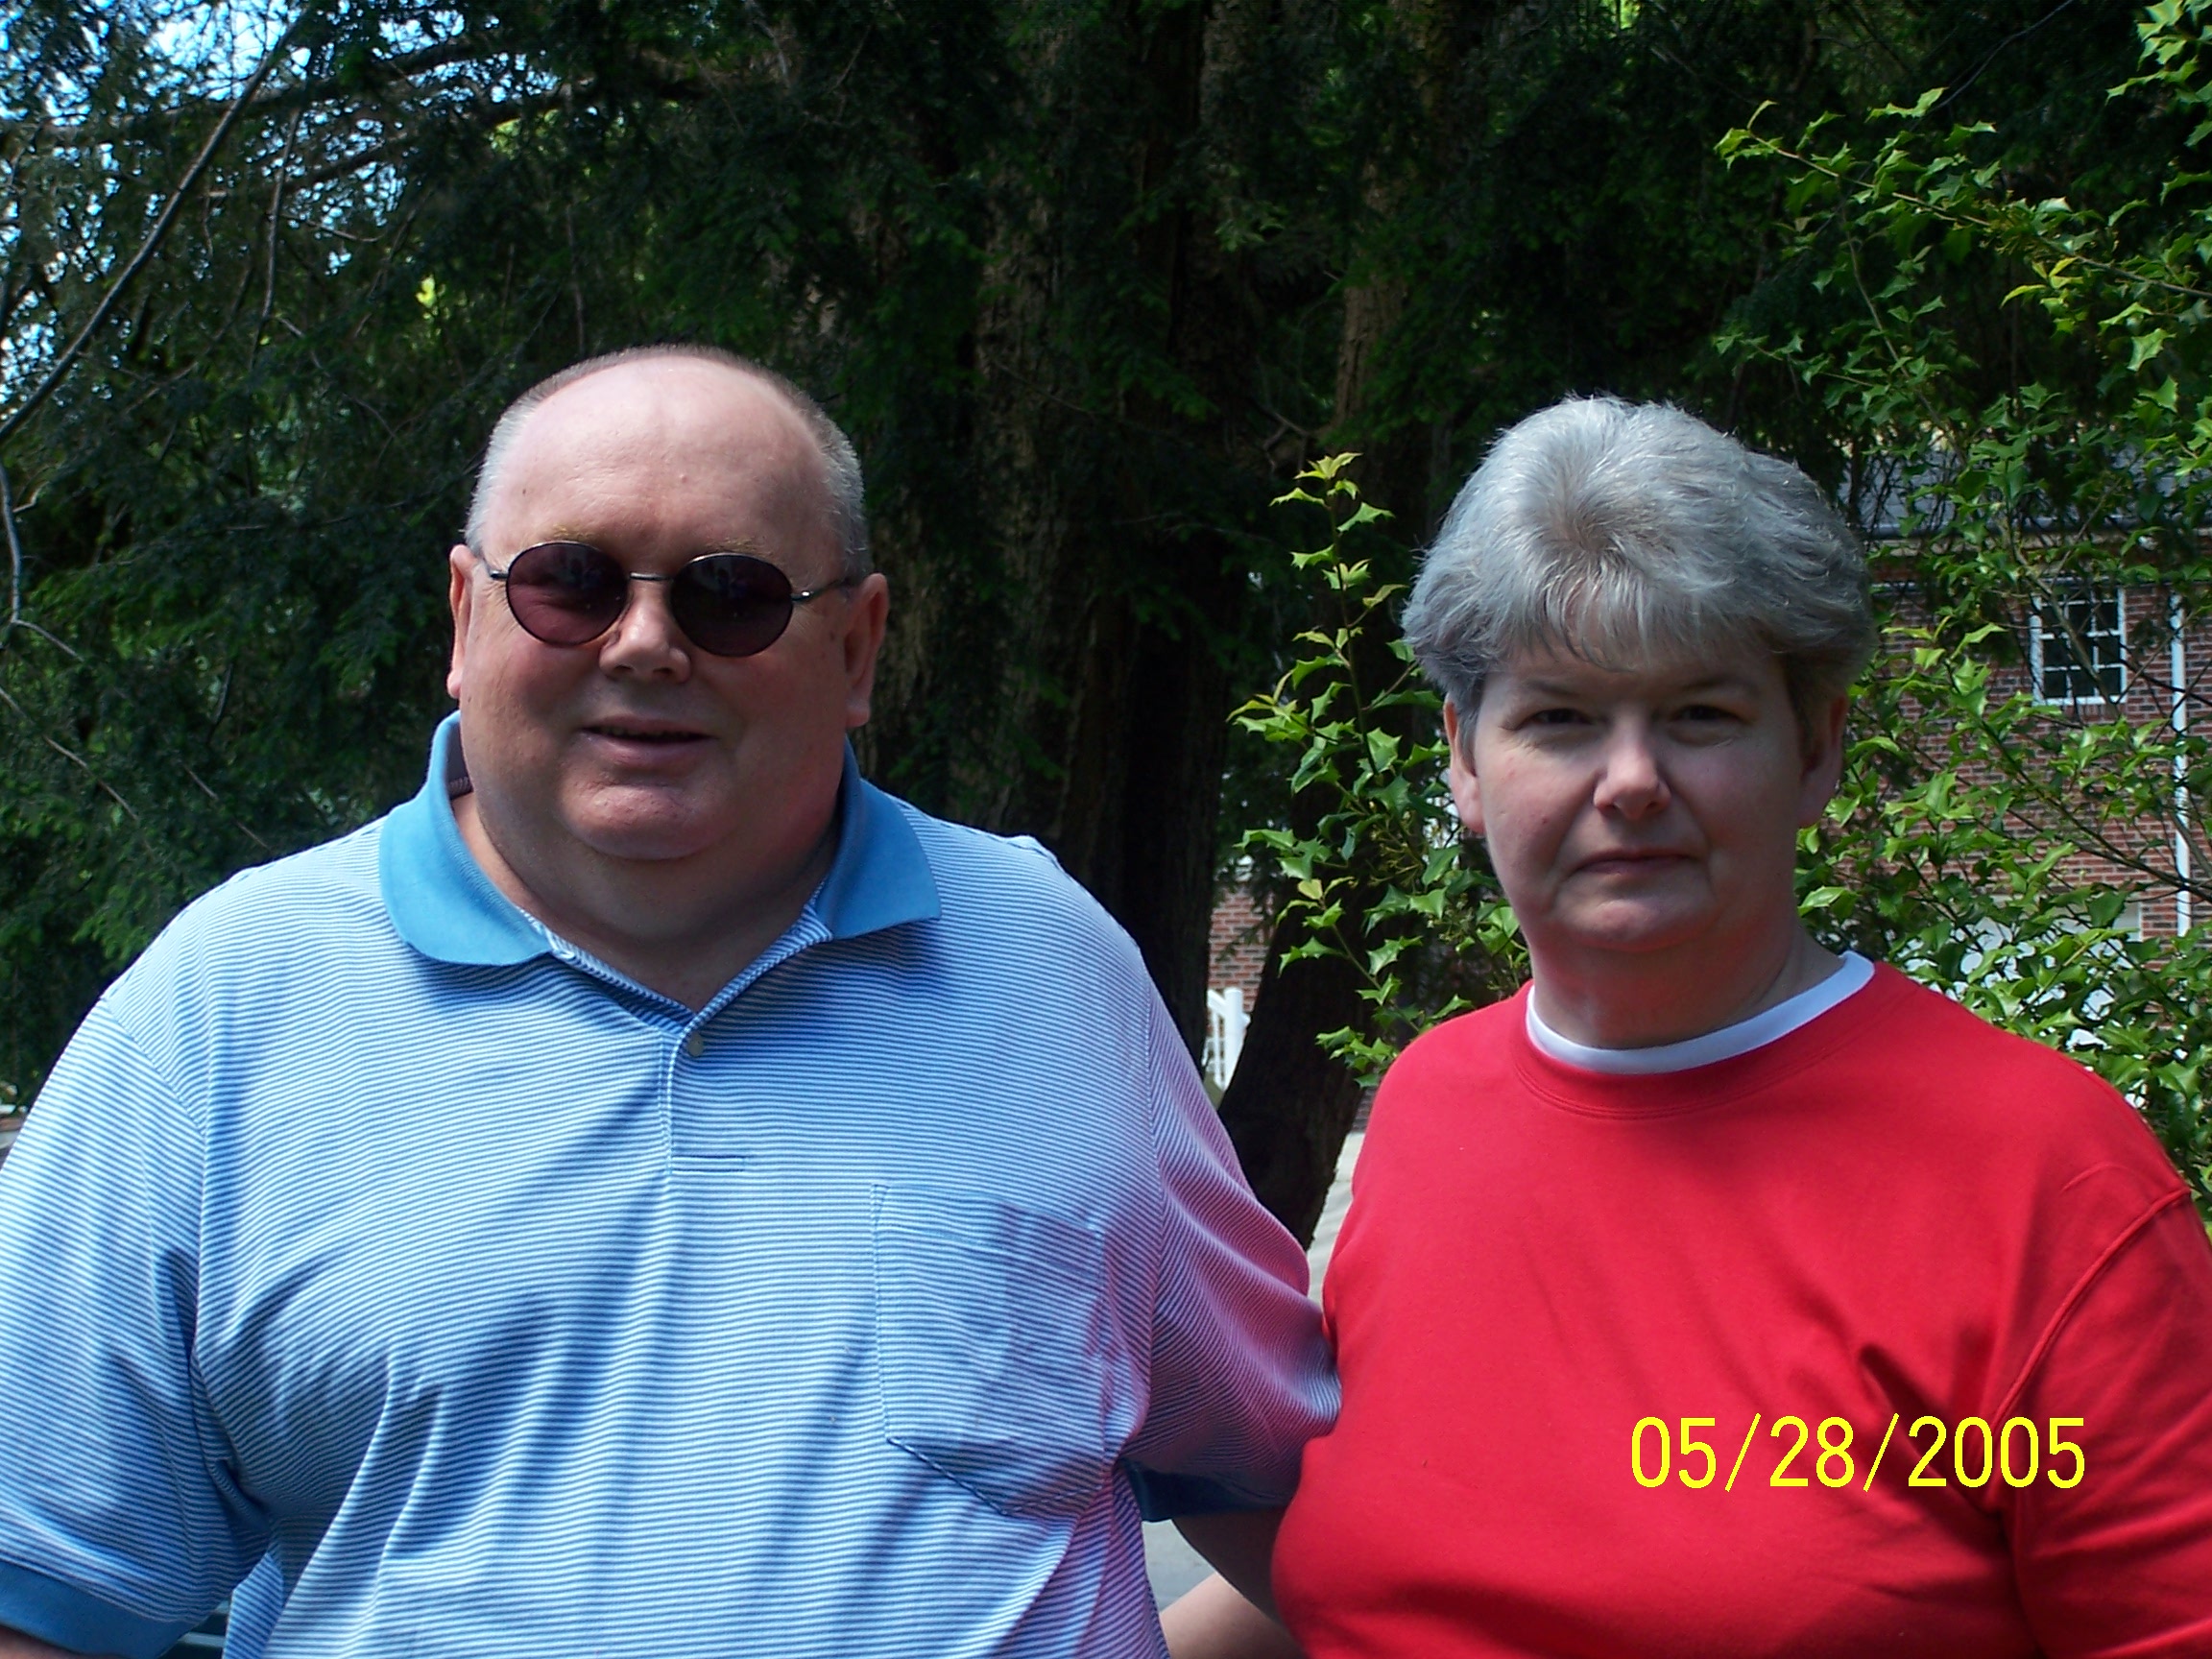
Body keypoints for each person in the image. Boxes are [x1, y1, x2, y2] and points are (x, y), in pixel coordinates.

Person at [0, 346, 1334, 1658]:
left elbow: (1306, 1512)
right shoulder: (227, 1007)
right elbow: (38, 1596)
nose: (644, 644)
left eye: (730, 595)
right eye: (568, 583)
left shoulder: (1051, 969)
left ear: (858, 647)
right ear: (463, 617)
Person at [1166, 396, 2212, 1657]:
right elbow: (1382, 1572)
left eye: (1700, 714)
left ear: (1816, 749)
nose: (1631, 781)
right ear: (1464, 760)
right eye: (1558, 718)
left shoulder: (2046, 1179)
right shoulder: (1432, 1105)